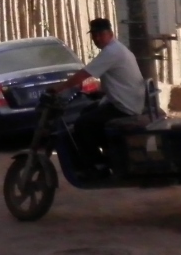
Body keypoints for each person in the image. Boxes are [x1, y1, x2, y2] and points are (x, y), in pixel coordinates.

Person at [50, 18, 146, 172]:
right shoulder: (117, 49)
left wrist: (58, 88)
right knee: (87, 111)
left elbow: (84, 74)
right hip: (124, 100)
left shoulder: (112, 52)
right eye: (94, 35)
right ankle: (106, 151)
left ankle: (96, 164)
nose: (97, 38)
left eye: (101, 34)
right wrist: (99, 91)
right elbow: (116, 79)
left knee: (82, 124)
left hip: (124, 106)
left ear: (110, 34)